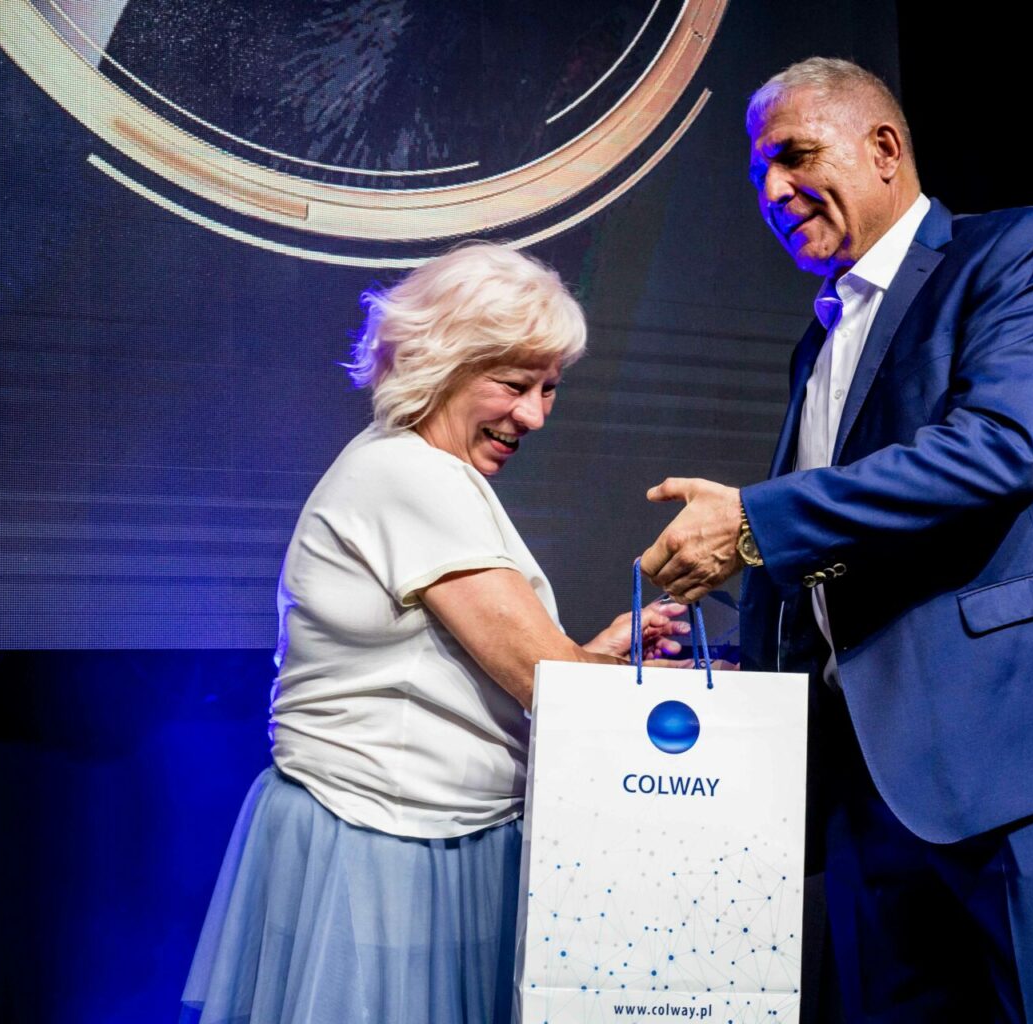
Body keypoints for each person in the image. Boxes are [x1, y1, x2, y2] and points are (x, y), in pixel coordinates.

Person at [640, 58, 1033, 1022]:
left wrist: (753, 522)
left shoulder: (1018, 250)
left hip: (1024, 751)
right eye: (758, 174)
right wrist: (727, 653)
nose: (772, 192)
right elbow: (843, 550)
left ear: (884, 148)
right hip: (867, 791)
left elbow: (1000, 451)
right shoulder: (816, 343)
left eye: (794, 156)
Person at [181, 243, 686, 1024]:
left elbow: (466, 669)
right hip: (384, 850)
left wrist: (595, 656)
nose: (535, 415)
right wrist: (637, 686)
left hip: (421, 838)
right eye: (513, 384)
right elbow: (550, 686)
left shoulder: (414, 469)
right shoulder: (412, 476)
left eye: (549, 387)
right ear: (439, 363)